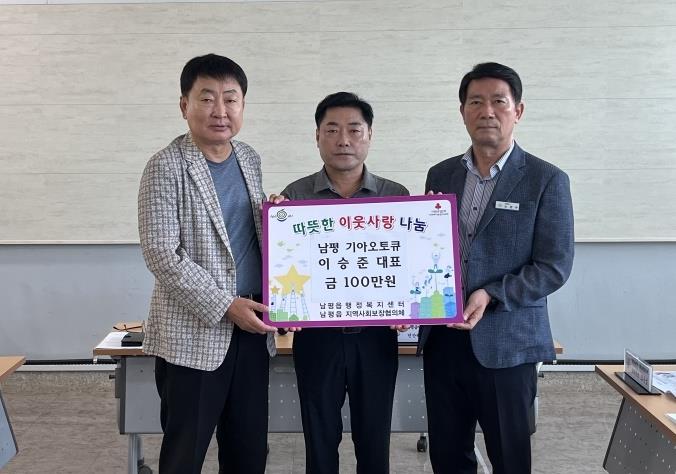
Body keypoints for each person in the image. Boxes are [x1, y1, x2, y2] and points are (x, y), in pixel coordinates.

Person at [418, 62, 574, 473]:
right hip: (444, 340)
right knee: (448, 455)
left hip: (508, 342)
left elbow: (554, 266)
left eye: (498, 102)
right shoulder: (441, 174)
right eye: (475, 102)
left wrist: (491, 293)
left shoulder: (546, 179)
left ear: (517, 110)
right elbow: (427, 248)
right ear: (462, 112)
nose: (487, 111)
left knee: (509, 457)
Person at [137, 53, 277, 474]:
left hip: (252, 329)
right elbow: (161, 253)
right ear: (185, 106)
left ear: (243, 106)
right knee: (185, 455)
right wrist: (225, 305)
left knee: (248, 452)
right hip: (194, 335)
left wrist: (280, 217)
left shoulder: (249, 157)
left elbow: (250, 234)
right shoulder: (165, 166)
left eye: (230, 99)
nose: (220, 110)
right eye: (207, 98)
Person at [279, 92, 409, 474]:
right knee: (319, 442)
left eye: (354, 130)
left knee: (374, 441)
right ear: (317, 137)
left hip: (376, 339)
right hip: (317, 339)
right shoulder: (294, 196)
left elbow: (407, 268)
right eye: (332, 130)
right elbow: (282, 267)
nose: (344, 140)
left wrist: (409, 308)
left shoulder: (397, 196)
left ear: (369, 136)